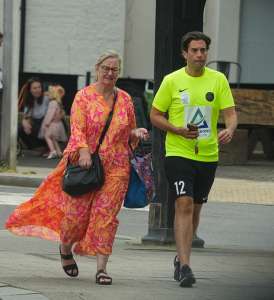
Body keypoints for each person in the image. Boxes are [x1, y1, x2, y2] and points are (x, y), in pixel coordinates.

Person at [6, 50, 149, 285]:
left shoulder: (124, 99)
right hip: (86, 164)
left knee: (106, 216)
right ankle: (65, 248)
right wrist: (82, 150)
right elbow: (77, 128)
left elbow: (128, 129)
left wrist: (136, 132)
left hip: (116, 166)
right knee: (76, 218)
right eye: (106, 68)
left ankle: (101, 269)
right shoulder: (83, 96)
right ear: (97, 69)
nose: (110, 73)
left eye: (114, 69)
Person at [150, 31, 237, 287]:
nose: (200, 55)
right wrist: (177, 129)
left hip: (208, 154)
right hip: (179, 152)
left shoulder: (218, 80)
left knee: (196, 208)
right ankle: (186, 267)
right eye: (195, 51)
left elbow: (230, 114)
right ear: (184, 53)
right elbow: (155, 115)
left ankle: (180, 256)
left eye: (203, 51)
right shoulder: (172, 81)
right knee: (184, 203)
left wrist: (229, 129)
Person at [18, 77, 49, 149]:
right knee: (20, 128)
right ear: (30, 90)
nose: (38, 90)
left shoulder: (47, 98)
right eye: (35, 88)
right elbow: (26, 117)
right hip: (38, 126)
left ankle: (48, 147)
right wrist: (24, 122)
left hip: (48, 125)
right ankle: (36, 147)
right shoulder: (29, 100)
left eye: (39, 87)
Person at [39, 84, 68, 159]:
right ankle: (59, 152)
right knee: (54, 138)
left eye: (49, 93)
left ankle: (52, 151)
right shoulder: (58, 103)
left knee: (47, 136)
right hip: (58, 124)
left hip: (52, 124)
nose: (48, 94)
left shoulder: (52, 103)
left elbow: (50, 114)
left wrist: (47, 123)